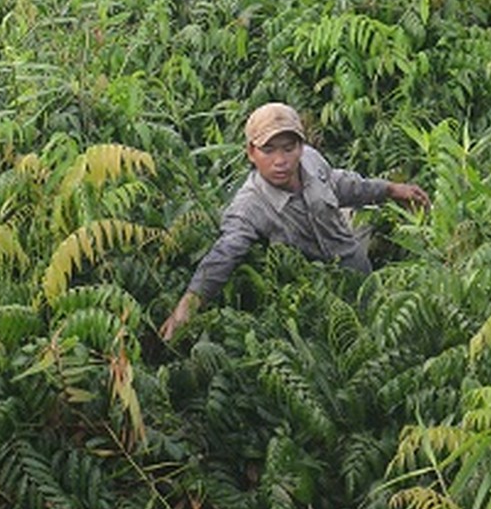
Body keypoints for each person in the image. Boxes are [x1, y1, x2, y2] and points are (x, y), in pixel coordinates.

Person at [159, 102, 430, 340]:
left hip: (360, 272)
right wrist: (188, 306)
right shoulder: (249, 206)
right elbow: (224, 254)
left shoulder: (310, 161)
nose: (280, 161)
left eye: (289, 149)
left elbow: (338, 183)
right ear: (251, 152)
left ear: (302, 147)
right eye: (268, 150)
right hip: (320, 301)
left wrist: (390, 189)